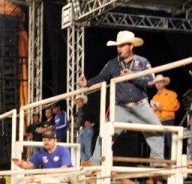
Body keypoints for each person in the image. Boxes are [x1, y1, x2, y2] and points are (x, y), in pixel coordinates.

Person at [78, 30, 164, 165]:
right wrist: (87, 83)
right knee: (105, 133)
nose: (119, 49)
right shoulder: (112, 63)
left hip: (140, 105)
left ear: (131, 46)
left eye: (122, 45)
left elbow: (151, 81)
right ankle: (94, 163)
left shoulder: (142, 62)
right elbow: (102, 77)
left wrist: (133, 77)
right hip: (119, 107)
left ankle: (158, 166)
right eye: (118, 46)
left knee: (157, 130)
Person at [151, 74, 180, 158]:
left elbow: (175, 106)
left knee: (170, 141)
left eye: (160, 82)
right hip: (158, 121)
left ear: (164, 83)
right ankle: (159, 161)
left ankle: (173, 159)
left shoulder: (171, 94)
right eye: (157, 82)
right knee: (158, 142)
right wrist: (152, 110)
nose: (158, 84)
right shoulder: (155, 97)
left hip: (168, 120)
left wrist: (162, 107)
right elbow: (154, 109)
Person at [73, 94, 96, 162]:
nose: (78, 103)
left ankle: (89, 162)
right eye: (77, 102)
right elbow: (73, 113)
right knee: (78, 147)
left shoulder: (88, 108)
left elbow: (97, 114)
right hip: (82, 129)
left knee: (87, 148)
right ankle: (85, 161)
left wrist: (93, 123)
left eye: (80, 101)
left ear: (83, 101)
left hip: (87, 129)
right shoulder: (80, 110)